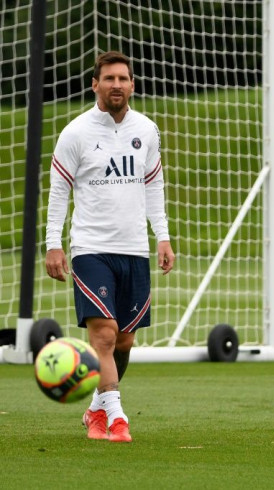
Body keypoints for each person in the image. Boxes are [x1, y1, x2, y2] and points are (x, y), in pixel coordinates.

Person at [45, 51, 175, 443]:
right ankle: (117, 418)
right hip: (91, 248)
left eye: (123, 78)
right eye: (109, 78)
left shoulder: (146, 130)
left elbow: (154, 185)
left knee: (124, 341)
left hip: (135, 249)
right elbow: (58, 191)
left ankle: (95, 410)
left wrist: (162, 235)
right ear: (95, 85)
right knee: (103, 335)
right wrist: (54, 244)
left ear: (132, 84)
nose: (116, 84)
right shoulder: (76, 132)